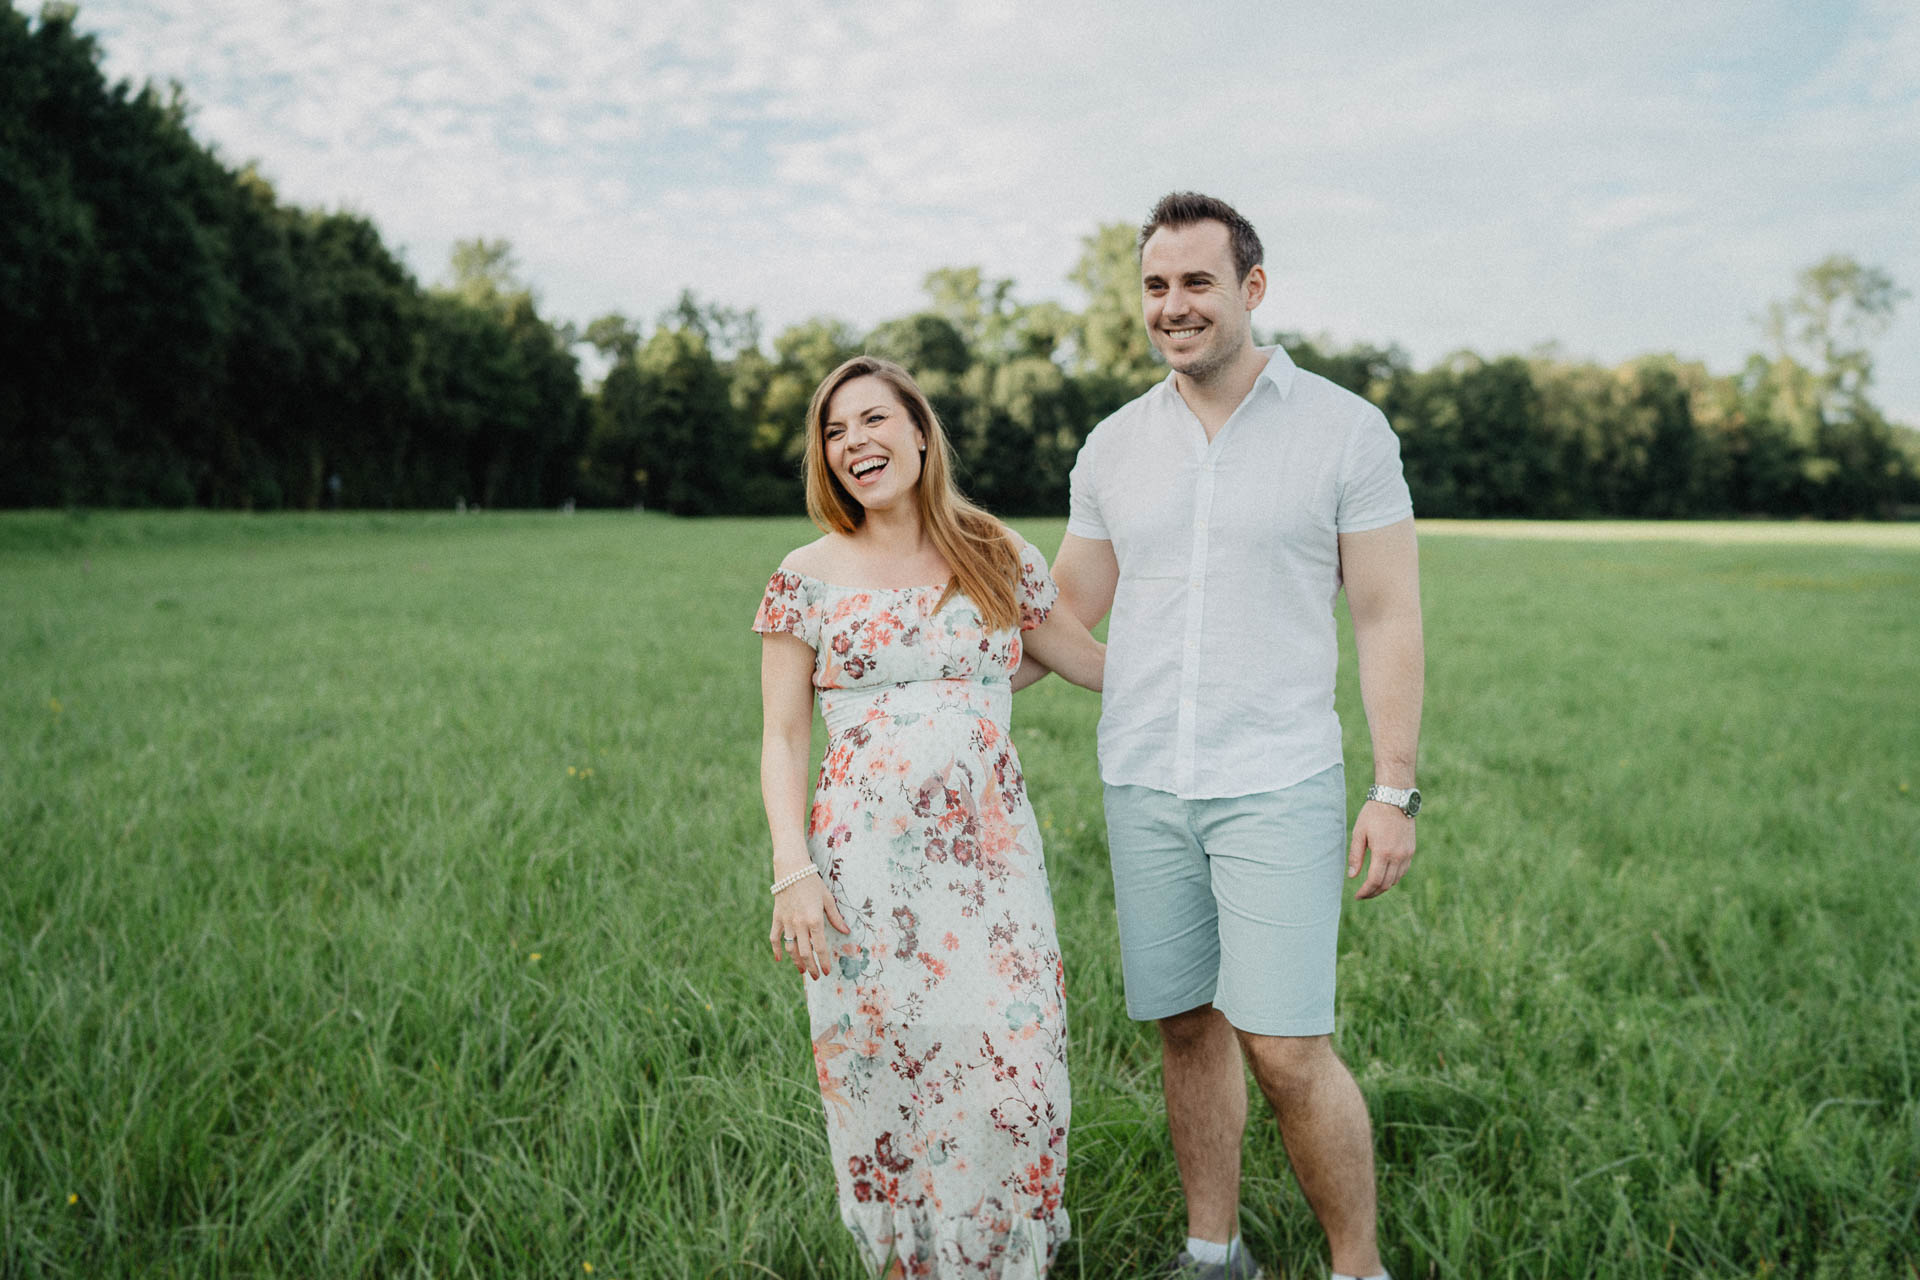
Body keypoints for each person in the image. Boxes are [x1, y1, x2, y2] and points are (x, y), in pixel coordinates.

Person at [1032, 192, 1423, 1280]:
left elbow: (1388, 611)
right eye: (1156, 285)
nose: (1174, 305)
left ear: (1252, 288)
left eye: (1197, 281)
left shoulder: (1345, 428)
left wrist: (1394, 787)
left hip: (1278, 778)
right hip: (1146, 778)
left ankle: (1359, 1265)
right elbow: (1064, 608)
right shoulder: (1114, 446)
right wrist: (919, 631)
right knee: (1185, 1025)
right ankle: (1215, 1250)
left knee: (1290, 1047)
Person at [754, 356, 1106, 1279]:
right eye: (834, 432)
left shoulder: (993, 550)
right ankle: (916, 1264)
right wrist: (794, 871)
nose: (854, 443)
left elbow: (1086, 658)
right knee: (892, 1076)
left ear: (919, 431)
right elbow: (784, 738)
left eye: (873, 420)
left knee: (1016, 1077)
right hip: (860, 871)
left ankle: (1000, 1256)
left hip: (991, 872)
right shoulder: (805, 575)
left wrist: (1218, 627)